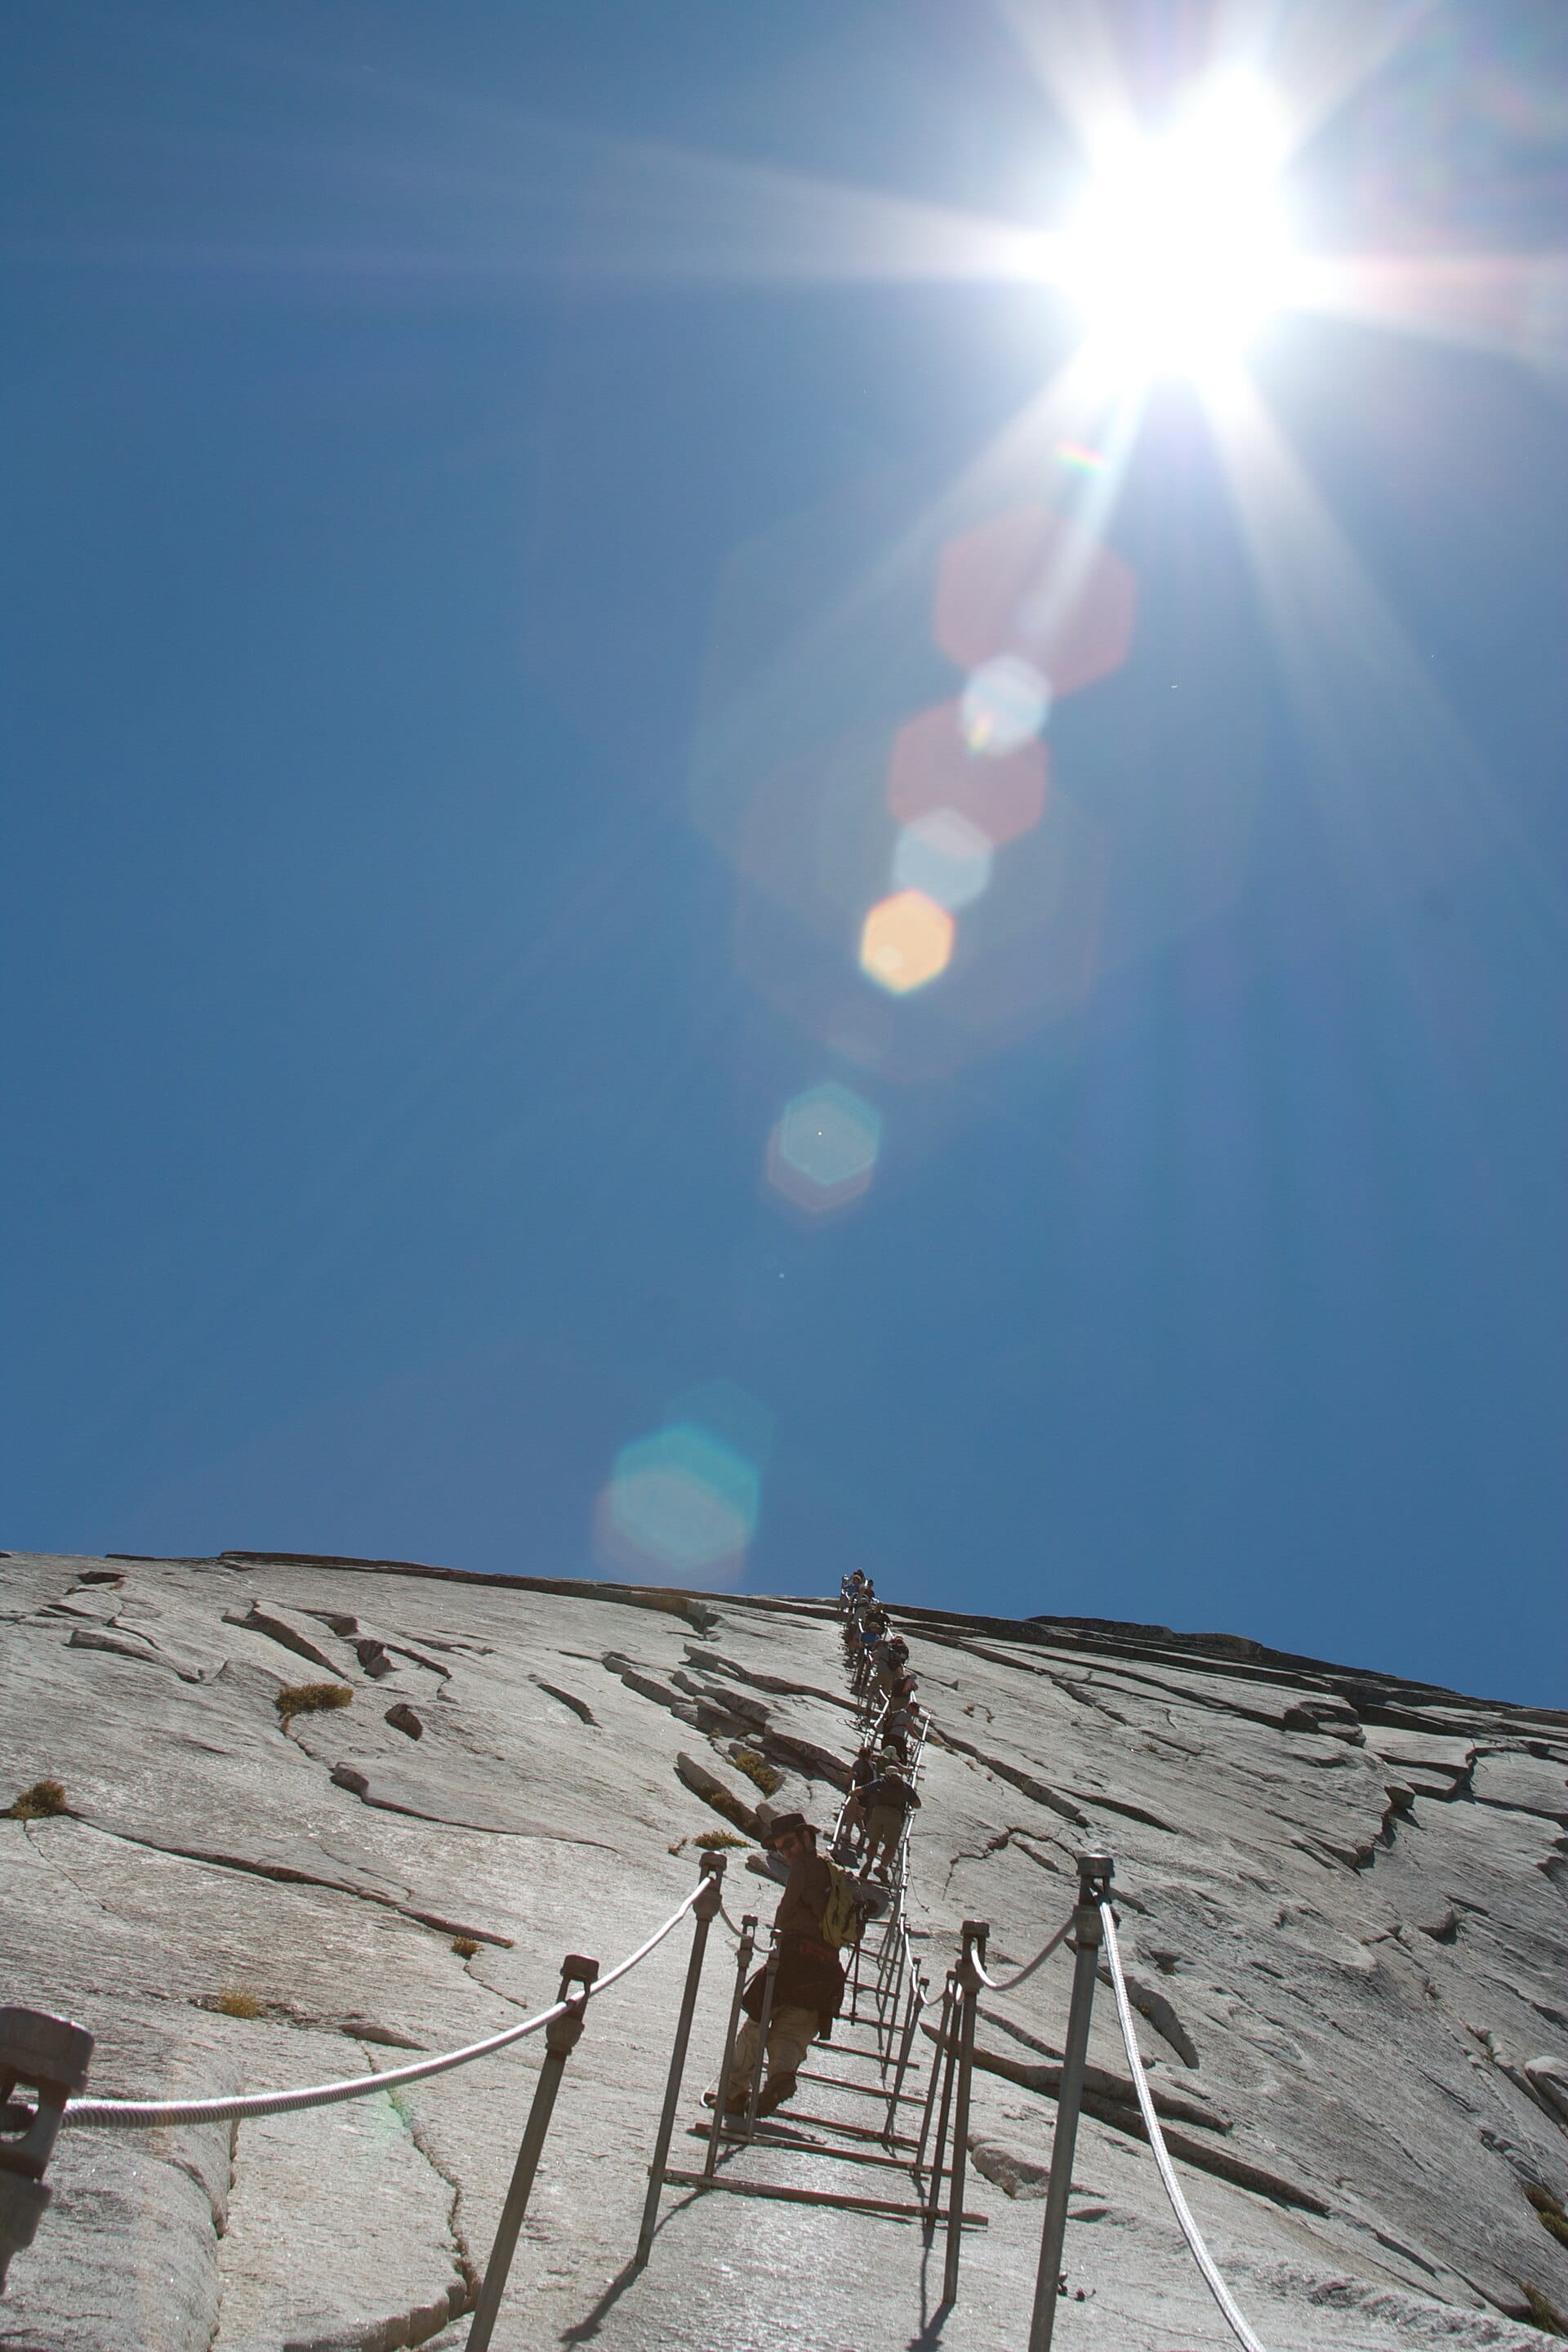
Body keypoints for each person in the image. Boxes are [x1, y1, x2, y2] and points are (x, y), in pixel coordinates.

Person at [722, 1813, 845, 2118]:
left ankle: (734, 2093)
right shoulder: (833, 1872)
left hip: (793, 1962)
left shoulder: (804, 1867)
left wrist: (783, 1926)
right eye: (780, 1849)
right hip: (827, 1971)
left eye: (789, 1844)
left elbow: (785, 1912)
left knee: (756, 2024)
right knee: (793, 2031)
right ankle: (780, 2077)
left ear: (806, 1838)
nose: (786, 1853)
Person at [861, 1762, 922, 1881]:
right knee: (890, 1845)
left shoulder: (882, 1782)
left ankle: (868, 1863)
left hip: (878, 1812)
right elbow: (917, 1804)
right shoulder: (905, 1786)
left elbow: (864, 1789)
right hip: (895, 1816)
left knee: (873, 1841)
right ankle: (882, 1868)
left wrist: (852, 1793)